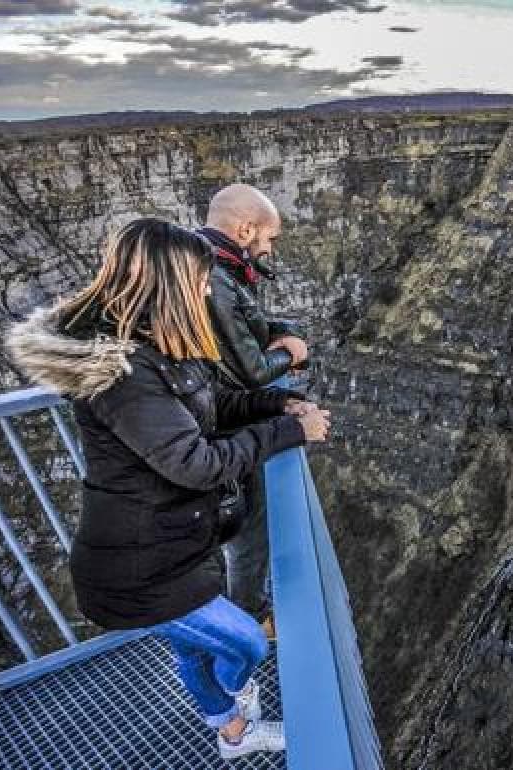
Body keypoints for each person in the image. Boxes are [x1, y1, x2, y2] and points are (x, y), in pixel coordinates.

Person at [7, 218, 332, 759]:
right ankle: (236, 703)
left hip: (176, 544)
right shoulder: (123, 372)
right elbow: (194, 461)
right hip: (139, 569)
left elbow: (212, 409)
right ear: (171, 283)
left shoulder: (158, 347)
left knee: (196, 652)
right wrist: (288, 432)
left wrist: (278, 403)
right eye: (201, 280)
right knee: (246, 643)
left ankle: (232, 735)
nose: (208, 290)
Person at [197, 184, 309, 630]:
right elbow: (252, 371)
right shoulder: (218, 280)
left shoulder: (207, 262)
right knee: (248, 524)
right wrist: (292, 354)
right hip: (223, 421)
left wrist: (285, 329)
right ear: (245, 229)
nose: (270, 248)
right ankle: (250, 616)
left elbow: (249, 327)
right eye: (269, 238)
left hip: (208, 410)